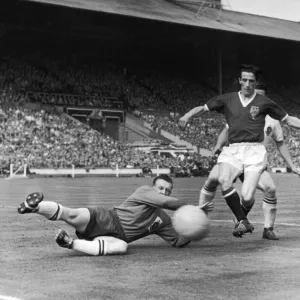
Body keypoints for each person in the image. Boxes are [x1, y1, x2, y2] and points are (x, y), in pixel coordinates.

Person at [179, 64, 300, 237]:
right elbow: (203, 108)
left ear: (256, 82)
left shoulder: (265, 103)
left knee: (248, 197)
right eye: (244, 80)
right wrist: (187, 115)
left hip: (254, 151)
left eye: (251, 81)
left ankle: (243, 219)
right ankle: (242, 221)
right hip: (233, 149)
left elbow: (289, 120)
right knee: (222, 179)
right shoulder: (227, 99)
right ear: (239, 80)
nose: (247, 84)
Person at [17, 174, 213, 256]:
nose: (163, 193)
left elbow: (177, 241)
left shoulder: (164, 219)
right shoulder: (144, 191)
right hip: (108, 218)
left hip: (115, 236)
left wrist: (194, 229)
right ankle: (34, 207)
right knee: (73, 215)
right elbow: (164, 202)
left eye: (167, 190)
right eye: (160, 188)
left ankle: (69, 243)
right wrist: (192, 208)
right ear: (153, 187)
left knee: (121, 248)